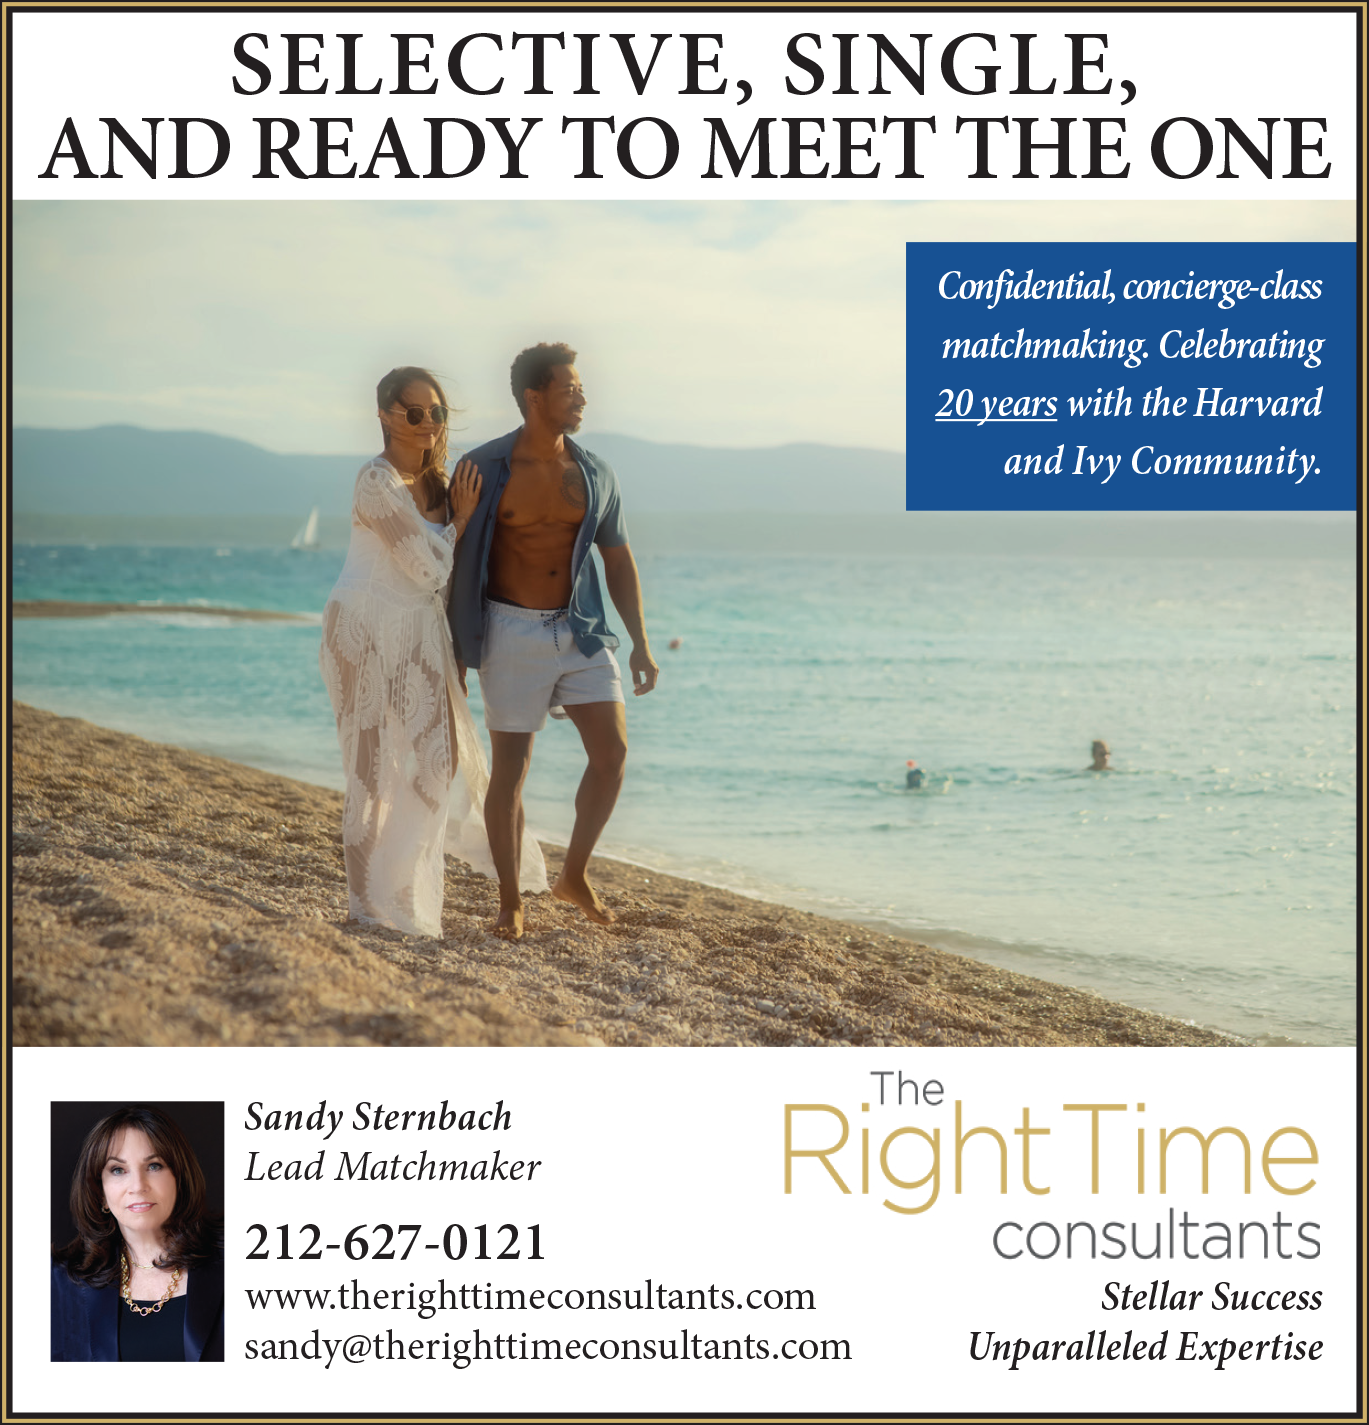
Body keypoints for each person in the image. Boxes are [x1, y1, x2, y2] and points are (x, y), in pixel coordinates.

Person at [319, 367, 546, 936]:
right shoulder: (376, 481)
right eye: (413, 412)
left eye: (436, 413)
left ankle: (395, 885)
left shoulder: (441, 484)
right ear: (384, 415)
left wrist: (456, 657)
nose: (426, 423)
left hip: (419, 633)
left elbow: (444, 583)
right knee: (371, 770)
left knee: (437, 763)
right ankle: (367, 906)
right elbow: (424, 568)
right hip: (364, 629)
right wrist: (462, 521)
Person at [448, 343, 659, 939]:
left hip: (583, 630)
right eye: (570, 388)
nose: (583, 397)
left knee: (612, 754)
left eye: (581, 388)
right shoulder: (483, 469)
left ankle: (574, 875)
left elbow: (618, 560)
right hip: (509, 629)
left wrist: (640, 641)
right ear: (533, 397)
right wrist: (455, 645)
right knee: (510, 772)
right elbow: (452, 556)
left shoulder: (594, 473)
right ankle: (510, 899)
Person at [51, 1106, 223, 1361]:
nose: (138, 1186)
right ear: (100, 1193)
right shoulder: (60, 1284)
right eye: (118, 1170)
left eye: (154, 1166)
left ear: (179, 1177)